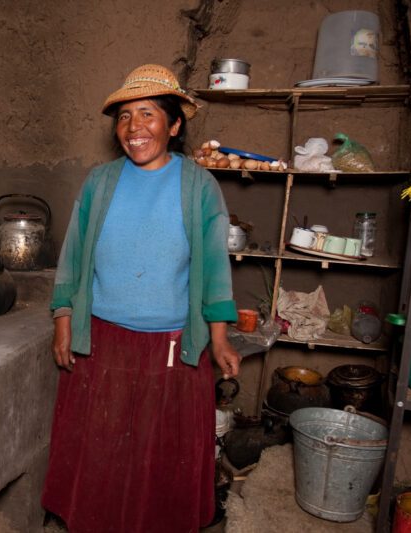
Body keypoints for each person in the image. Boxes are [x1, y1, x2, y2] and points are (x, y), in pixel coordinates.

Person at [40, 64, 242, 533]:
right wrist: (64, 320)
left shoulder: (198, 187)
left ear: (173, 126)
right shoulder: (100, 182)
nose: (134, 128)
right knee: (103, 445)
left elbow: (213, 267)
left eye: (148, 115)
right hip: (104, 340)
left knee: (160, 452)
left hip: (172, 344)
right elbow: (73, 255)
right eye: (125, 117)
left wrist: (219, 338)